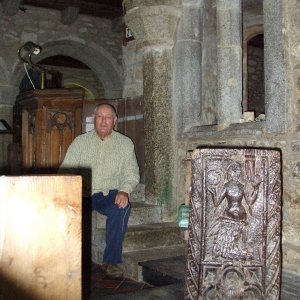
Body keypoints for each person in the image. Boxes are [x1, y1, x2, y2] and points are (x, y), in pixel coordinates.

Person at [59, 103, 140, 278]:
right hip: (83, 192)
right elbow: (66, 170)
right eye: (100, 116)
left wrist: (125, 190)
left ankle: (111, 261)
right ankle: (66, 258)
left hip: (108, 194)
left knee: (122, 207)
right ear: (94, 119)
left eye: (108, 117)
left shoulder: (125, 144)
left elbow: (132, 173)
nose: (103, 121)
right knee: (65, 211)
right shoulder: (80, 142)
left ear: (115, 121)